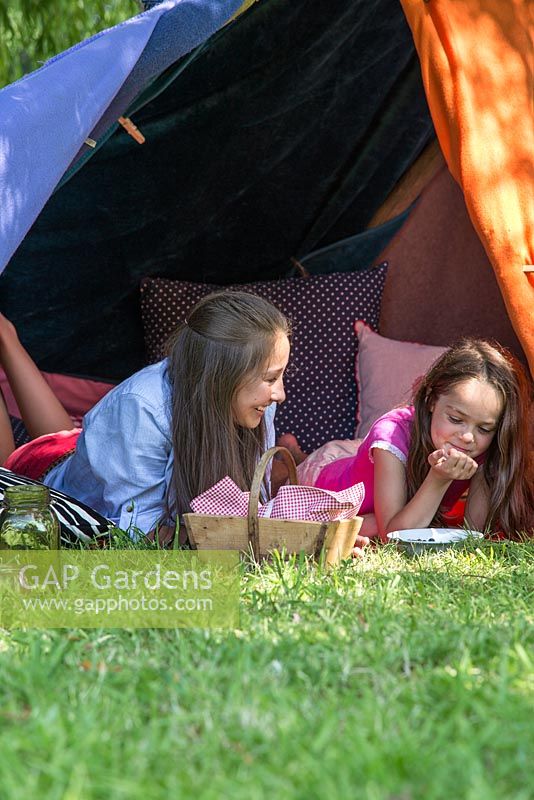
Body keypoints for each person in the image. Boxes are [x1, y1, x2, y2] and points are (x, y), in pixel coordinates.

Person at [0, 298, 371, 552]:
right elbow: (136, 537)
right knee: (18, 457)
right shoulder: (141, 409)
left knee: (65, 435)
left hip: (99, 451)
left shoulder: (254, 404)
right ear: (221, 378)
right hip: (51, 477)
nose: (281, 394)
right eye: (271, 378)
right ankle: (6, 337)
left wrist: (309, 537)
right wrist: (276, 544)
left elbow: (254, 511)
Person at [311, 339, 534, 540]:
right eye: (456, 419)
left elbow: (472, 534)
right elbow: (393, 536)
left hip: (378, 481)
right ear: (430, 400)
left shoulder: (480, 445)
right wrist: (439, 478)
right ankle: (295, 452)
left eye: (484, 428)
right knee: (358, 518)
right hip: (328, 475)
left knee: (370, 524)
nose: (467, 437)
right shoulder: (390, 437)